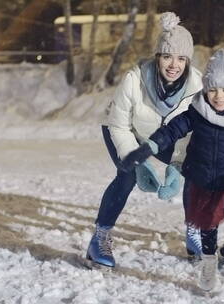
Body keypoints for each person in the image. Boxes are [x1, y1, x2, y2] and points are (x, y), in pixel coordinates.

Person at [122, 49, 224, 290]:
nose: (219, 96)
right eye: (212, 90)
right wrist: (147, 148)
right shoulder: (197, 113)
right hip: (203, 181)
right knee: (207, 228)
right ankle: (209, 265)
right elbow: (171, 130)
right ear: (205, 90)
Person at [86, 12, 204, 268]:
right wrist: (137, 161)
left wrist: (177, 164)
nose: (174, 64)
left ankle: (195, 232)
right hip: (124, 129)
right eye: (167, 56)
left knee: (196, 170)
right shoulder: (135, 79)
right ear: (158, 56)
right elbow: (119, 125)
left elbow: (191, 134)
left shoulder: (197, 85)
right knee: (126, 176)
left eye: (181, 58)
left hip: (165, 137)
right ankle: (100, 239)